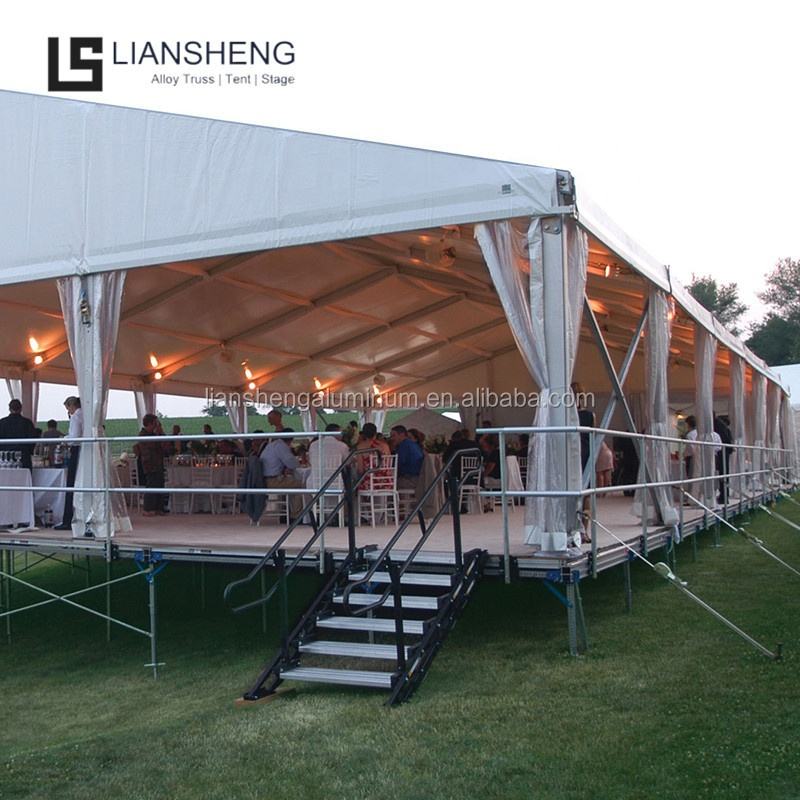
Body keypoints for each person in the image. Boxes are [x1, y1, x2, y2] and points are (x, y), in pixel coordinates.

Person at [259, 426, 304, 520]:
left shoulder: (272, 445)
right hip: (273, 481)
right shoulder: (281, 446)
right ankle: (296, 515)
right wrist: (298, 462)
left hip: (265, 479)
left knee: (291, 483)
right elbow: (292, 463)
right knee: (301, 485)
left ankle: (287, 513)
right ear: (291, 439)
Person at [54, 396, 83, 530]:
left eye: (68, 408)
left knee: (71, 483)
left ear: (72, 406)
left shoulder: (76, 417)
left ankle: (68, 519)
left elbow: (74, 438)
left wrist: (64, 439)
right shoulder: (84, 416)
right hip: (83, 450)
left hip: (77, 450)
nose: (68, 411)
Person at [134, 414, 167, 517]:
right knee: (151, 485)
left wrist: (161, 434)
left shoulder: (153, 434)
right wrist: (158, 434)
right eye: (155, 423)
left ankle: (159, 508)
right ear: (150, 423)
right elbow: (152, 446)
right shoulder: (143, 435)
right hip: (150, 464)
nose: (156, 425)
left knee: (160, 484)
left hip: (158, 463)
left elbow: (164, 446)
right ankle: (148, 508)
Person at [0, 399, 37, 469]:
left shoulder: (2, 422)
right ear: (21, 409)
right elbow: (32, 440)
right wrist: (28, 451)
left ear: (9, 409)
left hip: (5, 458)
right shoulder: (27, 423)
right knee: (24, 475)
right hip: (24, 457)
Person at [389, 425, 423, 490]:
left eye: (393, 435)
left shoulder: (404, 446)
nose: (391, 438)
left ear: (402, 435)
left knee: (385, 484)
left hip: (410, 479)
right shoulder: (411, 444)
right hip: (417, 478)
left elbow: (397, 465)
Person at [714, 413, 733, 504]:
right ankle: (724, 495)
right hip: (725, 452)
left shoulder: (717, 425)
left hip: (722, 453)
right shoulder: (724, 428)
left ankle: (723, 496)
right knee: (724, 473)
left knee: (722, 473)